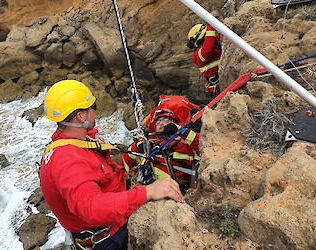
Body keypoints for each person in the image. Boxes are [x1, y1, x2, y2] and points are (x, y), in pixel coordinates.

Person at [39, 80, 184, 250]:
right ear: (81, 116)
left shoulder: (71, 142)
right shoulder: (69, 160)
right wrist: (146, 192)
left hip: (104, 223)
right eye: (93, 105)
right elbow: (92, 208)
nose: (95, 110)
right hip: (108, 239)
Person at [121, 107, 200, 193]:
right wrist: (136, 147)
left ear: (174, 123)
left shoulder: (186, 142)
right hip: (146, 191)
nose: (162, 123)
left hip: (175, 192)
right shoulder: (148, 145)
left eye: (166, 120)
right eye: (158, 122)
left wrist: (182, 131)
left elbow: (205, 147)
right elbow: (124, 164)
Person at [187, 15, 222, 99]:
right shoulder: (197, 55)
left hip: (224, 81)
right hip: (218, 89)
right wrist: (210, 26)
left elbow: (217, 37)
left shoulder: (213, 43)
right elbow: (208, 50)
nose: (210, 36)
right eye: (207, 35)